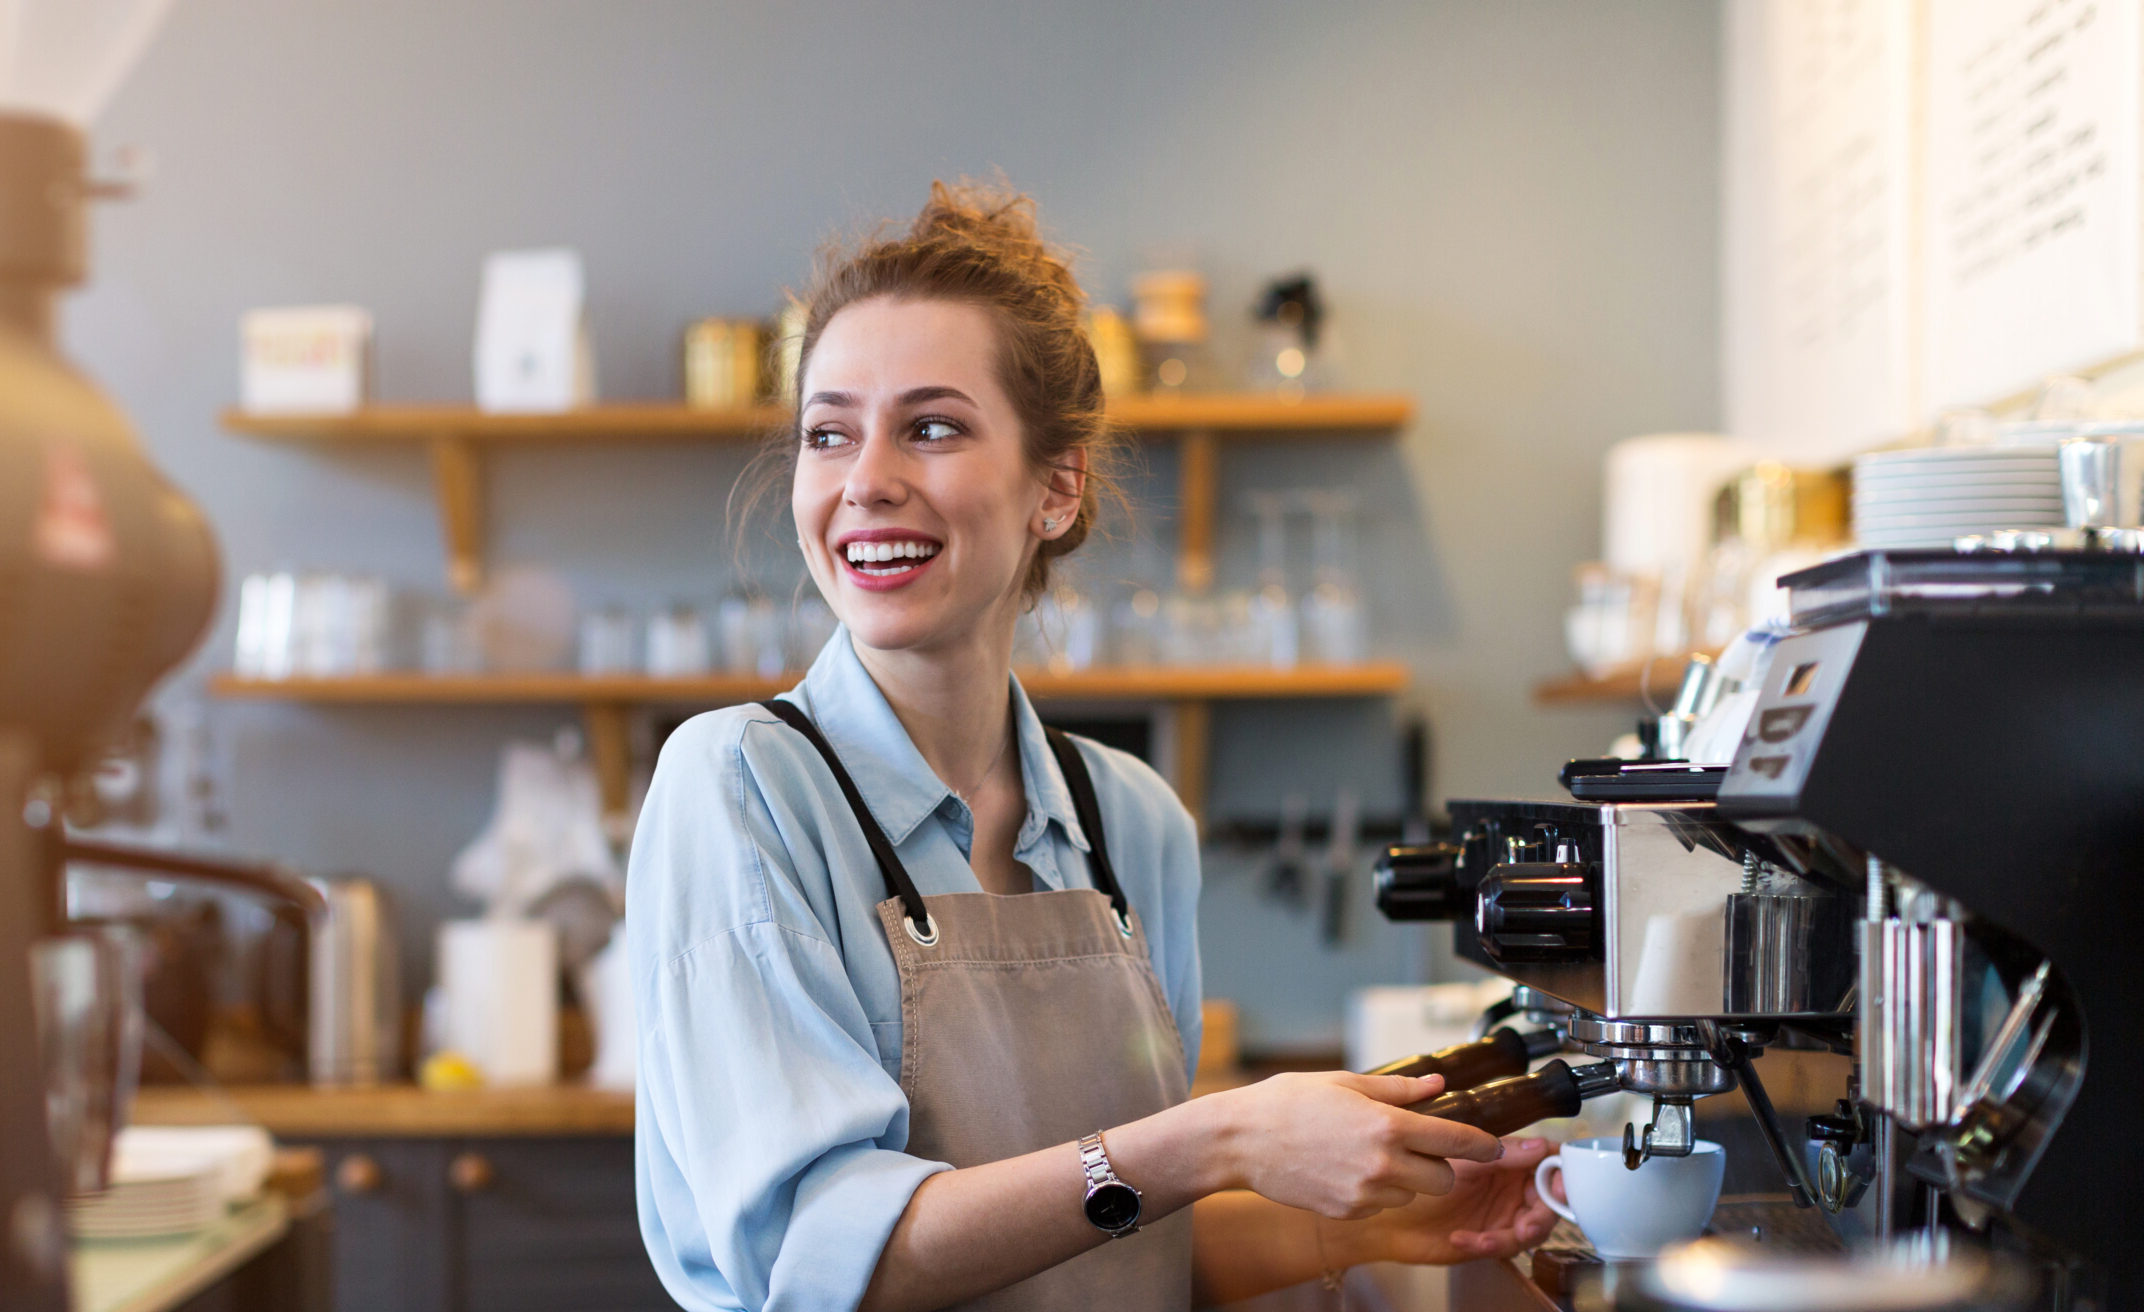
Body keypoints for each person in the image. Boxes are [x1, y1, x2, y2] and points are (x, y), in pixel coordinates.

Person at [628, 181, 1555, 1312]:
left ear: (1054, 487)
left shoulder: (1129, 817)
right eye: (829, 432)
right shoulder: (739, 784)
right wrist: (1214, 1138)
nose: (865, 480)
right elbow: (821, 1266)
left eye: (931, 425)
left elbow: (1130, 1244)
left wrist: (1360, 1227)